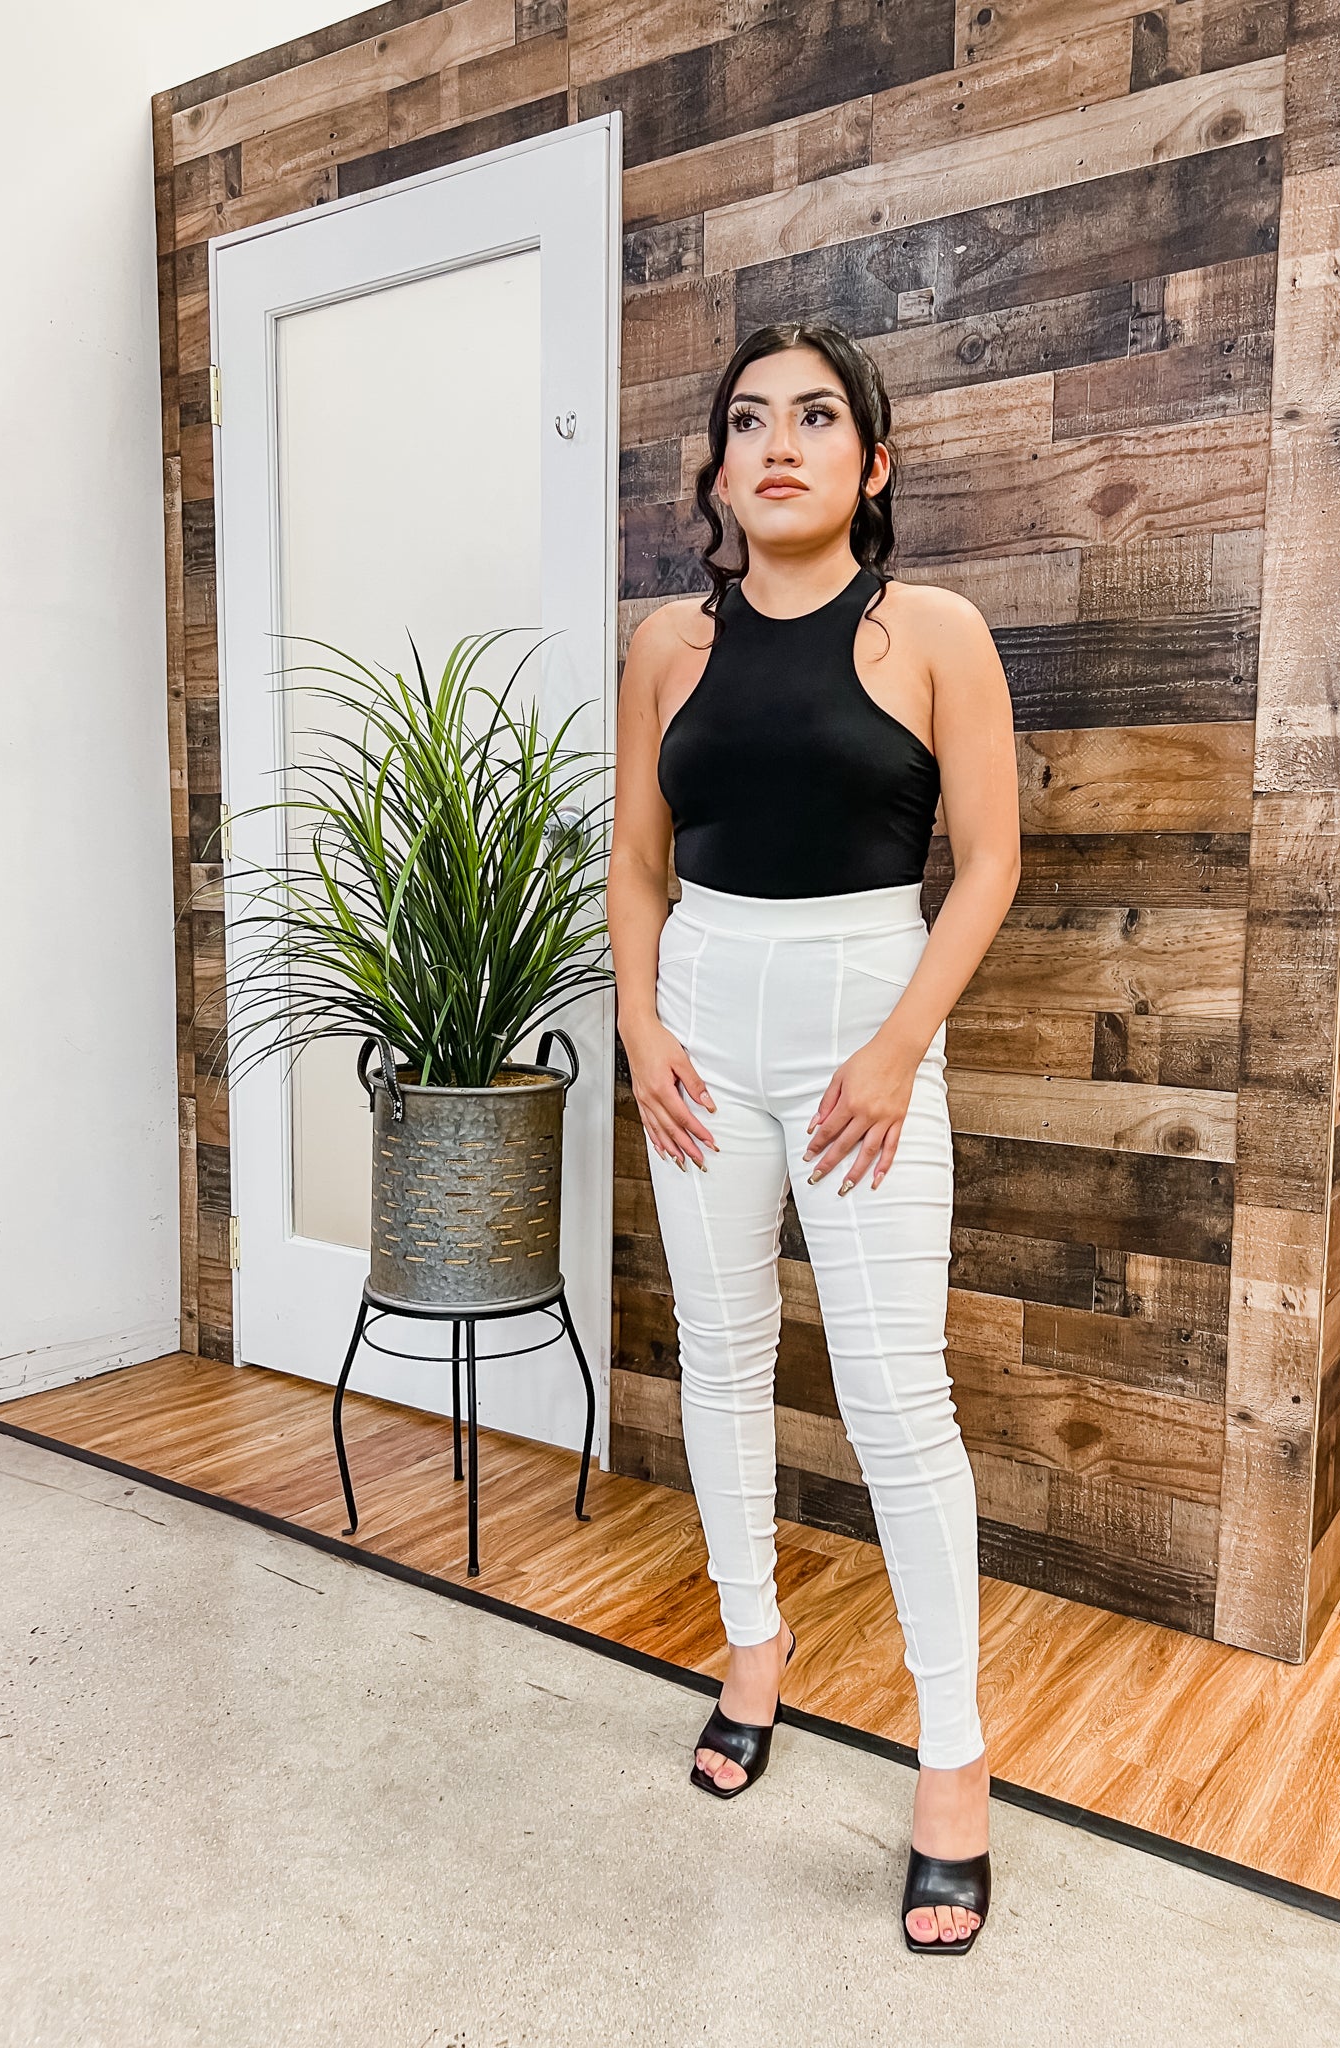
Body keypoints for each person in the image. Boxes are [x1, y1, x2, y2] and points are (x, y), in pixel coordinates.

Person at [606, 319, 1020, 1953]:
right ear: (717, 467)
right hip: (699, 1016)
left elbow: (984, 860)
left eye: (818, 416)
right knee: (719, 1350)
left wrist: (898, 1047)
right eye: (748, 421)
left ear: (873, 460)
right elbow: (641, 862)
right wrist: (640, 1022)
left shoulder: (935, 631)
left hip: (865, 1013)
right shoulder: (665, 647)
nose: (779, 443)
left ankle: (954, 1764)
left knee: (893, 1390)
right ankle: (754, 1650)